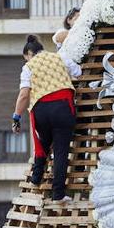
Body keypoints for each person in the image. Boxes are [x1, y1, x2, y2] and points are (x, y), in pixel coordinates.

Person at [12, 35, 82, 203]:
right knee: (60, 151)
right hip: (63, 107)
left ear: (29, 53)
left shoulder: (28, 67)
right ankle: (58, 194)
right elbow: (78, 72)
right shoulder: (60, 57)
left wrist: (16, 117)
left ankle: (36, 177)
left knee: (43, 141)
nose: (26, 60)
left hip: (41, 110)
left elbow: (24, 95)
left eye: (26, 57)